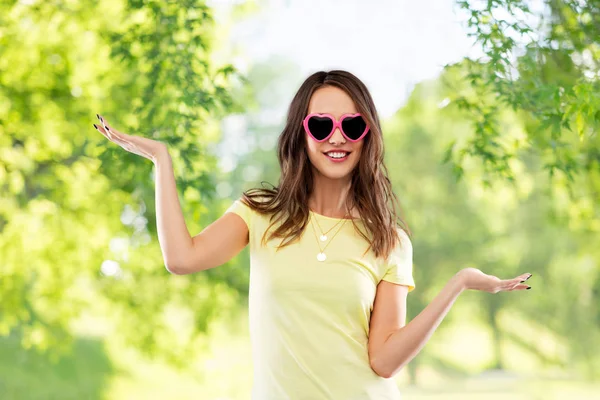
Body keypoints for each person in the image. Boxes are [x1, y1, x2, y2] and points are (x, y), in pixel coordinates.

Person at [93, 69, 533, 399]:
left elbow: (383, 362)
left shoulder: (389, 240)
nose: (336, 137)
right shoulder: (258, 213)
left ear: (368, 135)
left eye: (352, 125)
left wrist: (459, 283)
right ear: (301, 135)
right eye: (321, 125)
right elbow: (181, 258)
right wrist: (161, 160)